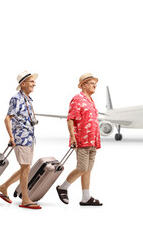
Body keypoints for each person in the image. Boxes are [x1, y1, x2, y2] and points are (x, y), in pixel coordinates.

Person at [0, 71, 42, 210]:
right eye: (31, 82)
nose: (34, 84)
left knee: (25, 167)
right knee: (26, 167)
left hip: (29, 138)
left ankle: (4, 186)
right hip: (21, 138)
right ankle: (25, 199)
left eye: (34, 81)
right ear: (23, 83)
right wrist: (11, 137)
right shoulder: (16, 98)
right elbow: (7, 118)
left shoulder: (28, 99)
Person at [56, 73, 103, 206]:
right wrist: (72, 136)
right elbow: (70, 118)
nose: (95, 85)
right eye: (92, 83)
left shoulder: (90, 100)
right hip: (82, 138)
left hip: (93, 140)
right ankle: (63, 187)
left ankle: (86, 198)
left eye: (95, 83)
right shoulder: (78, 99)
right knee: (82, 168)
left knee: (87, 170)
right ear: (83, 85)